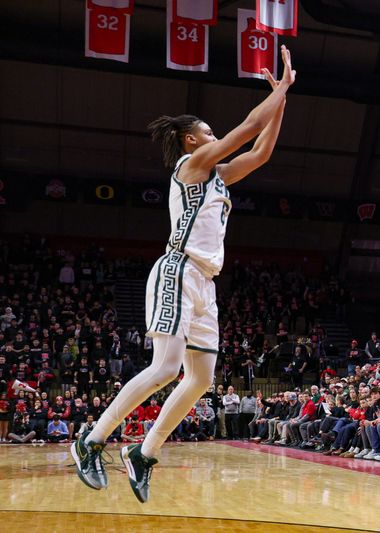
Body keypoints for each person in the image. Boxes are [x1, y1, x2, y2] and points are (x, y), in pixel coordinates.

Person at [71, 46, 296, 503]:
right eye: (207, 133)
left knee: (200, 379)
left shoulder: (219, 177)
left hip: (205, 284)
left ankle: (144, 453)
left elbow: (262, 150)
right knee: (165, 367)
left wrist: (282, 100)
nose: (214, 138)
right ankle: (91, 441)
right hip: (178, 270)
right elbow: (248, 128)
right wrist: (284, 88)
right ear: (192, 141)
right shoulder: (190, 168)